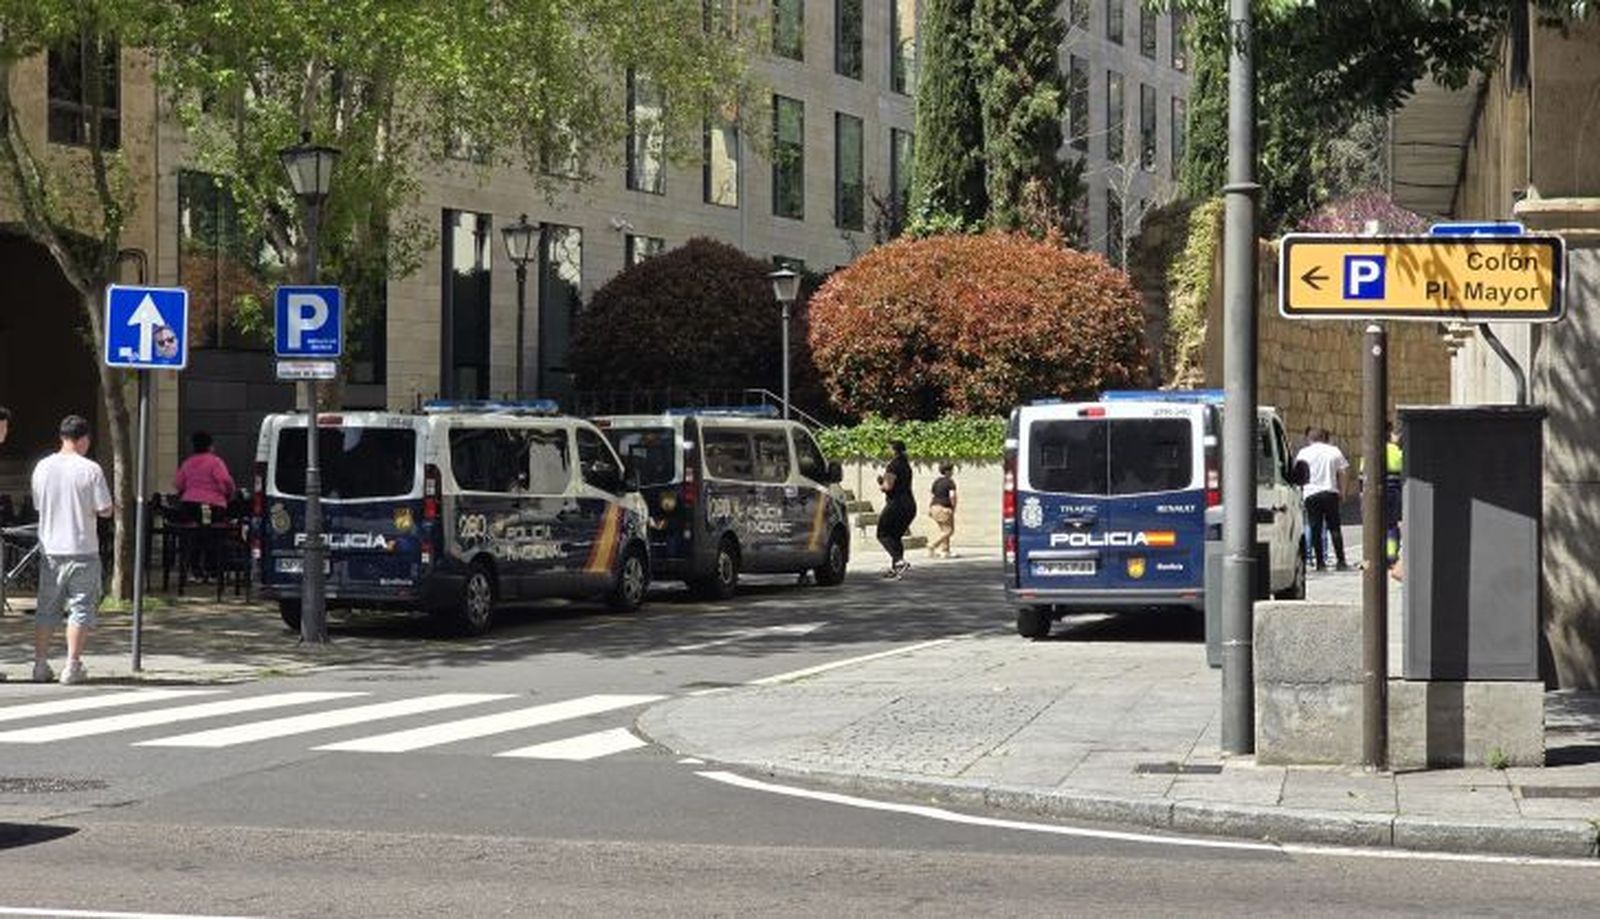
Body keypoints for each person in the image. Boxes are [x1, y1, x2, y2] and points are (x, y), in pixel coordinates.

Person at [32, 414, 113, 684]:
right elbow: (104, 509)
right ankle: (71, 665)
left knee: (46, 609)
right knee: (80, 609)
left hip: (51, 548)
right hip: (83, 548)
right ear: (84, 439)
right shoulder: (91, 469)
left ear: (62, 437)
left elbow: (38, 505)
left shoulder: (42, 467)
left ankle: (40, 664)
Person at [173, 431, 236, 579]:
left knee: (193, 537)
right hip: (214, 506)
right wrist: (229, 493)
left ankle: (194, 568)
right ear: (210, 446)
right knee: (214, 536)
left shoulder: (187, 463)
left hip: (189, 506)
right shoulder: (215, 462)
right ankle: (212, 568)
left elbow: (178, 484)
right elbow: (226, 481)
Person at [1295, 427, 1349, 572]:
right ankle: (1341, 560)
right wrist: (1343, 492)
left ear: (1310, 439)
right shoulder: (1334, 451)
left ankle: (1320, 563)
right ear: (1324, 438)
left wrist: (1300, 492)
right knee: (1334, 527)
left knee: (1315, 528)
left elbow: (1299, 473)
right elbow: (1343, 472)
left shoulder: (1303, 453)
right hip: (1330, 492)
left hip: (1310, 494)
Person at [876, 440, 916, 578]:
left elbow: (888, 487)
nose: (887, 451)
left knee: (882, 534)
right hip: (909, 505)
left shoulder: (893, 465)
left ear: (893, 450)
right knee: (895, 536)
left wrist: (881, 482)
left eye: (888, 448)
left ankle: (899, 561)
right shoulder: (906, 465)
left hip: (896, 505)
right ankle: (896, 569)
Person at [927, 463, 957, 559]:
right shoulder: (950, 482)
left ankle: (945, 551)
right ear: (947, 471)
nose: (953, 472)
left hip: (934, 507)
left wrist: (930, 509)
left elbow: (932, 495)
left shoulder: (936, 482)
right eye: (952, 470)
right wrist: (953, 507)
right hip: (944, 508)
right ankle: (932, 545)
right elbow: (952, 496)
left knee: (944, 530)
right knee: (949, 531)